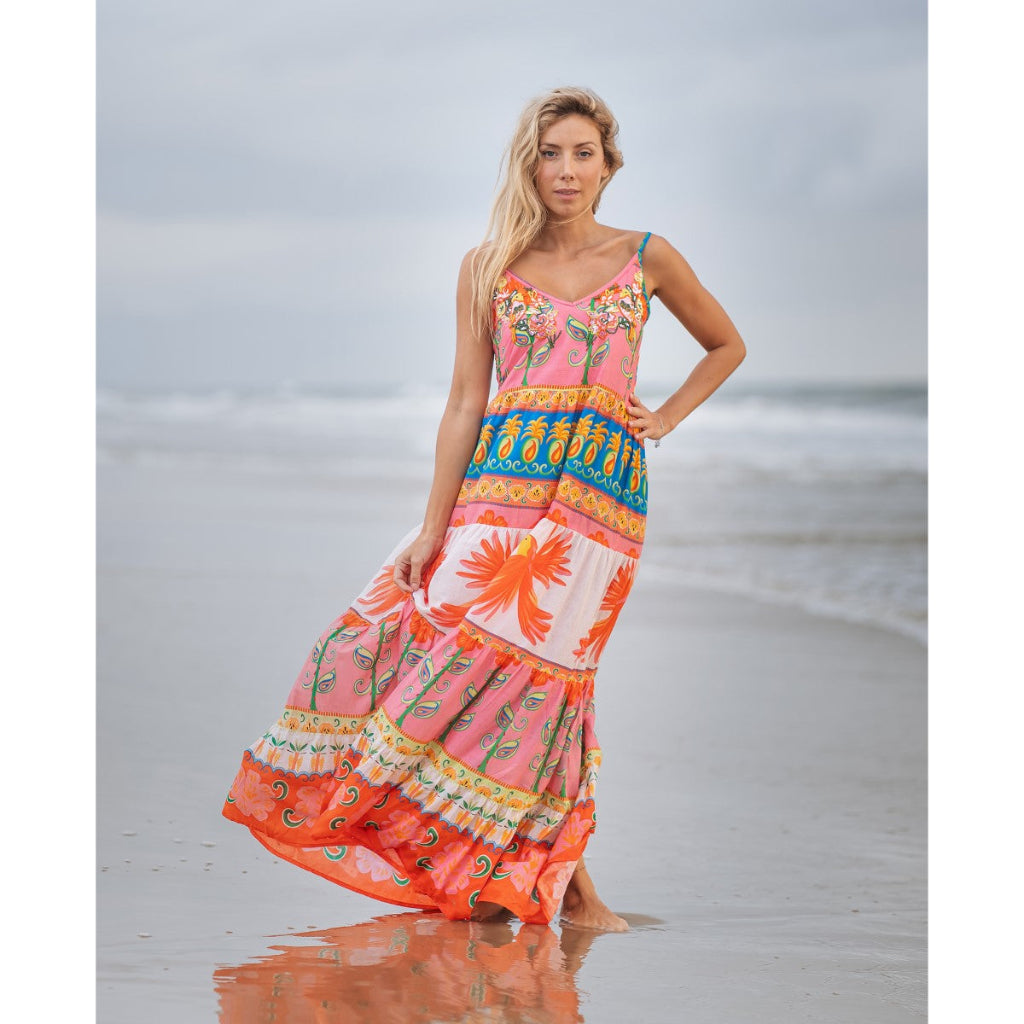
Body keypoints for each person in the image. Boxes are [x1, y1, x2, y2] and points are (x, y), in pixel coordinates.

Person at [222, 85, 746, 933]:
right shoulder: (487, 264)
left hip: (598, 507)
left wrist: (666, 418)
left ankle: (551, 880)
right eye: (550, 153)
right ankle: (508, 872)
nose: (566, 170)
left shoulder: (648, 256)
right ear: (527, 165)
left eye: (582, 153)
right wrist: (433, 527)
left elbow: (727, 343)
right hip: (496, 493)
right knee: (435, 655)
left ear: (610, 165)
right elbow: (467, 401)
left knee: (550, 687)